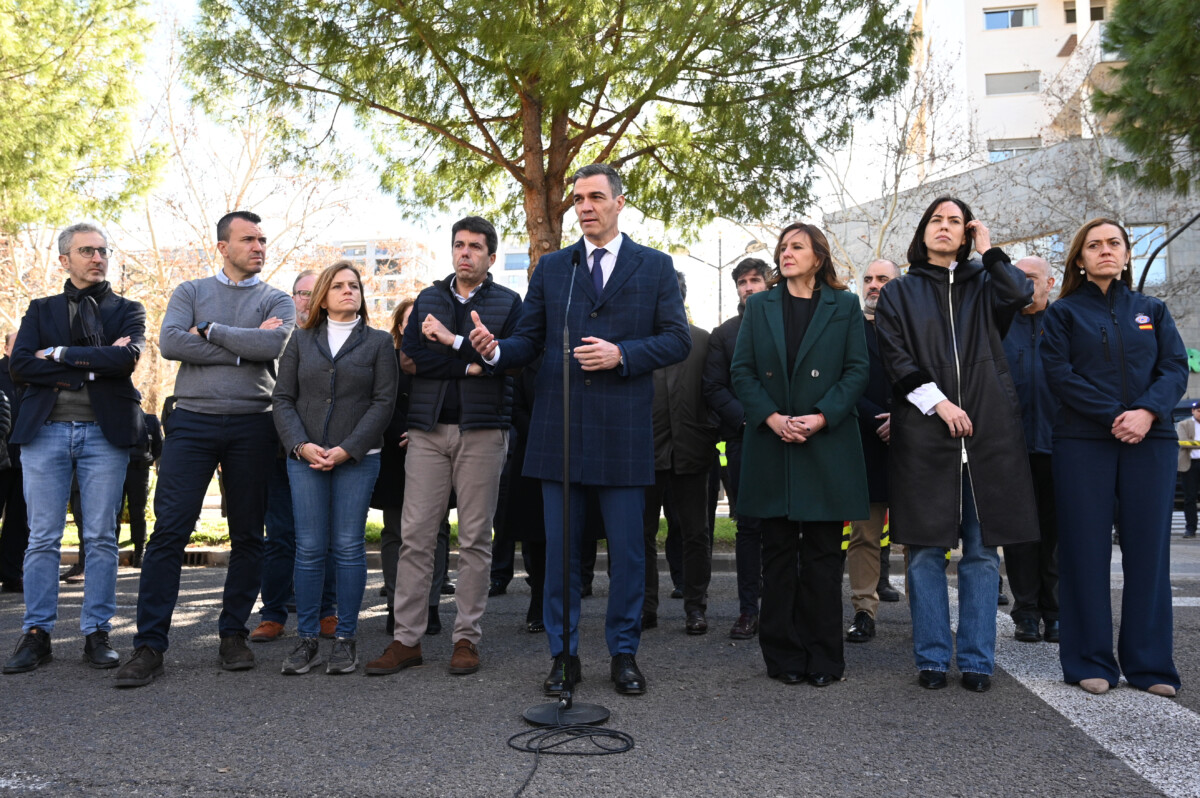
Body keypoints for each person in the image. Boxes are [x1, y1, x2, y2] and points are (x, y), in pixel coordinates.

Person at [469, 163, 690, 696]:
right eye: (578, 199)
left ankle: (624, 653)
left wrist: (623, 354)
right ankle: (563, 655)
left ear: (618, 202)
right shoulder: (553, 269)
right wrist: (497, 351)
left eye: (595, 197)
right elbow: (530, 340)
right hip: (560, 430)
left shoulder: (655, 267)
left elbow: (677, 340)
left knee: (629, 554)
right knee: (561, 552)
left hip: (623, 433)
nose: (585, 206)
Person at [116, 210, 295, 687]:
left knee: (248, 536)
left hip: (254, 425)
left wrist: (212, 331)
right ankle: (149, 645)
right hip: (192, 422)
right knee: (168, 534)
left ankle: (232, 633)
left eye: (262, 239)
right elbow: (172, 343)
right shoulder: (190, 291)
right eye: (249, 239)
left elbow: (276, 344)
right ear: (222, 247)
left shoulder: (277, 298)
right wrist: (245, 345)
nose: (259, 246)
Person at [874, 196, 1038, 693]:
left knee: (983, 554)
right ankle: (930, 657)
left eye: (955, 222)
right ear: (922, 232)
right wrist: (939, 403)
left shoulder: (986, 285)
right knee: (925, 553)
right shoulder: (900, 292)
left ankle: (977, 660)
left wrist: (989, 251)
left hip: (988, 437)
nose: (944, 228)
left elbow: (1022, 295)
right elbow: (895, 357)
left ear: (967, 234)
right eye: (935, 221)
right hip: (926, 435)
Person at [366, 216, 521, 678]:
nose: (465, 253)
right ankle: (406, 640)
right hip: (428, 431)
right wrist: (472, 364)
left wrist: (456, 346)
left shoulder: (509, 303)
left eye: (475, 246)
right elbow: (413, 357)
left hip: (483, 430)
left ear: (491, 256)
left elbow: (510, 361)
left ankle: (466, 640)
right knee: (415, 536)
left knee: (475, 538)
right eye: (459, 245)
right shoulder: (430, 298)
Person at [1041, 218, 1189, 697]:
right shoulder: (1062, 313)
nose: (1105, 251)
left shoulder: (1153, 310)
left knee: (1150, 552)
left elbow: (1173, 369)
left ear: (1126, 254)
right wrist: (1116, 415)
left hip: (1152, 441)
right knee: (1085, 551)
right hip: (1084, 443)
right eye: (1094, 245)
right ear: (1079, 259)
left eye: (1114, 244)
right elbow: (1060, 374)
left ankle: (1150, 666)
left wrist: (1146, 412)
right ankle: (1090, 661)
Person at [730, 222, 869, 686]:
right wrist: (771, 418)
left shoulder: (845, 305)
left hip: (826, 444)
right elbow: (743, 371)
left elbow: (856, 371)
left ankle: (825, 658)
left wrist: (820, 416)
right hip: (773, 445)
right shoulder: (760, 305)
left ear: (819, 256)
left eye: (797, 247)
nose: (786, 253)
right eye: (783, 247)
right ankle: (784, 658)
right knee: (779, 557)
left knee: (825, 560)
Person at [3, 223, 145, 674]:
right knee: (42, 537)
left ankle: (96, 632)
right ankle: (37, 633)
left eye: (103, 250)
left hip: (105, 434)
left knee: (101, 537)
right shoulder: (40, 309)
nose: (97, 258)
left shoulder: (128, 310)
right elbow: (21, 365)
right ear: (65, 259)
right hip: (44, 431)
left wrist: (58, 354)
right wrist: (88, 368)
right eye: (87, 251)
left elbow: (126, 360)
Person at [272, 261, 396, 675]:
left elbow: (384, 403)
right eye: (340, 286)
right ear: (323, 296)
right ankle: (306, 639)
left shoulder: (378, 343)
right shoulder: (300, 341)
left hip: (358, 460)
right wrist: (300, 445)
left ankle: (345, 638)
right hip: (304, 458)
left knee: (347, 546)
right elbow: (283, 399)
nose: (349, 291)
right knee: (308, 548)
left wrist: (348, 448)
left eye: (355, 285)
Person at [251, 271, 339, 643]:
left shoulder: (337, 340)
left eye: (313, 293)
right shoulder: (274, 336)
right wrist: (257, 336)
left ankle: (325, 611)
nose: (306, 300)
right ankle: (272, 613)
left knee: (327, 536)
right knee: (281, 535)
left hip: (325, 451)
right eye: (301, 293)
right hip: (277, 449)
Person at [370, 298, 452, 637]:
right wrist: (402, 433)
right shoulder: (386, 358)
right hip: (395, 454)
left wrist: (422, 433)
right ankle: (396, 605)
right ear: (400, 326)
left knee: (438, 532)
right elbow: (379, 400)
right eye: (410, 319)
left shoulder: (442, 358)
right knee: (395, 533)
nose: (417, 324)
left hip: (435, 448)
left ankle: (431, 605)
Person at [642, 272, 718, 635]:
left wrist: (708, 430)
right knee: (640, 534)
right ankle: (645, 607)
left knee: (695, 533)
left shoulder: (703, 341)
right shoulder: (634, 342)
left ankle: (695, 606)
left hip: (693, 451)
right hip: (643, 453)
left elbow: (717, 391)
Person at [703, 257, 769, 639]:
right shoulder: (724, 334)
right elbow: (713, 388)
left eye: (755, 280)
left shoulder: (787, 324)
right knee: (748, 528)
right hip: (744, 441)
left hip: (789, 439)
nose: (748, 287)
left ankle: (783, 607)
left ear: (768, 283)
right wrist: (751, 419)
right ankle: (749, 609)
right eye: (742, 282)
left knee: (787, 527)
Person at [1001, 256, 1061, 644]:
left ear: (1050, 283)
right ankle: (1025, 612)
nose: (1024, 285)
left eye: (1031, 278)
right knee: (1020, 534)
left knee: (1057, 535)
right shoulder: (1000, 325)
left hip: (1062, 446)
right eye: (1017, 279)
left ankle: (1055, 613)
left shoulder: (1066, 322)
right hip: (1012, 446)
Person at [846, 258, 901, 644]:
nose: (873, 285)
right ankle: (865, 610)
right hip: (866, 442)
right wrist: (876, 419)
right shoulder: (850, 330)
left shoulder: (916, 329)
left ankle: (931, 616)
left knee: (922, 538)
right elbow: (844, 380)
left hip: (915, 441)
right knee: (864, 535)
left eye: (882, 278)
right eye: (867, 279)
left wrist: (903, 418)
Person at [0, 332, 26, 594]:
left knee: (19, 521)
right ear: (6, 347)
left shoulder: (34, 375)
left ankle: (11, 574)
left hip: (26, 460)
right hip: (0, 458)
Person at [120, 409, 163, 568]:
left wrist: (148, 460)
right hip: (118, 468)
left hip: (139, 470)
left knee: (137, 511)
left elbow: (159, 445)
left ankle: (139, 552)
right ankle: (112, 552)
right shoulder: (116, 417)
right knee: (114, 512)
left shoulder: (149, 421)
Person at [1178, 401, 1200, 539]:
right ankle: (1190, 528)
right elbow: (1183, 442)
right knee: (1190, 498)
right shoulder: (1183, 424)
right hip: (1190, 464)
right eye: (1198, 410)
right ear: (1193, 411)